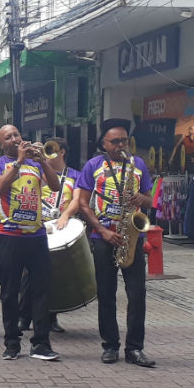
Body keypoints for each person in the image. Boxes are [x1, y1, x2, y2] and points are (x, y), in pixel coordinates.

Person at [76, 118, 155, 367]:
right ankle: (110, 346)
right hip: (104, 236)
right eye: (116, 141)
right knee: (106, 294)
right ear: (104, 143)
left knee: (137, 295)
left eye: (124, 140)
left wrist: (142, 198)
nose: (121, 145)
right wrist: (101, 230)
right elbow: (82, 204)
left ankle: (134, 348)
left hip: (131, 236)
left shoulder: (138, 164)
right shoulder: (94, 165)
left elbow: (150, 200)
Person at [0, 124, 61, 361]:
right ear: (1, 144)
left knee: (41, 290)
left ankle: (41, 343)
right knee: (9, 292)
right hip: (9, 236)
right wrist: (18, 162)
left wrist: (42, 162)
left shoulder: (36, 163)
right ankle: (12, 343)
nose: (14, 139)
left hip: (36, 236)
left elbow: (55, 186)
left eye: (16, 135)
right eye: (8, 137)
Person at [17, 137, 80, 334]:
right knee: (28, 274)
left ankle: (51, 316)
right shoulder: (37, 171)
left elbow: (77, 199)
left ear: (62, 152)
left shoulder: (75, 175)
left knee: (54, 275)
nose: (47, 153)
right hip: (37, 226)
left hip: (60, 228)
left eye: (51, 149)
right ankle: (24, 316)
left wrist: (66, 216)